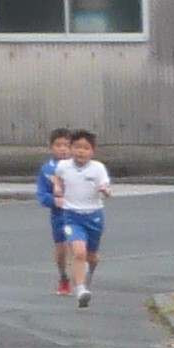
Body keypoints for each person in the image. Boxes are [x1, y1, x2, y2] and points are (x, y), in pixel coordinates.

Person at [54, 130, 112, 308]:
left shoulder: (98, 168)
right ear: (71, 148)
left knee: (92, 257)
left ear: (92, 151)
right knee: (79, 252)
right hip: (71, 216)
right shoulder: (64, 166)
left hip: (94, 215)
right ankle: (80, 290)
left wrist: (105, 191)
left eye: (86, 148)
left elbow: (105, 185)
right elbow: (57, 177)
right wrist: (57, 187)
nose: (81, 151)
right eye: (77, 147)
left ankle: (88, 274)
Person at [37, 130, 73, 293]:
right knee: (61, 248)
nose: (63, 149)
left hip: (79, 213)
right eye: (58, 145)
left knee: (79, 245)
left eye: (66, 145)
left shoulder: (80, 167)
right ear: (51, 147)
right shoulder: (47, 170)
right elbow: (42, 194)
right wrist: (54, 200)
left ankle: (80, 279)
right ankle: (64, 276)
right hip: (59, 214)